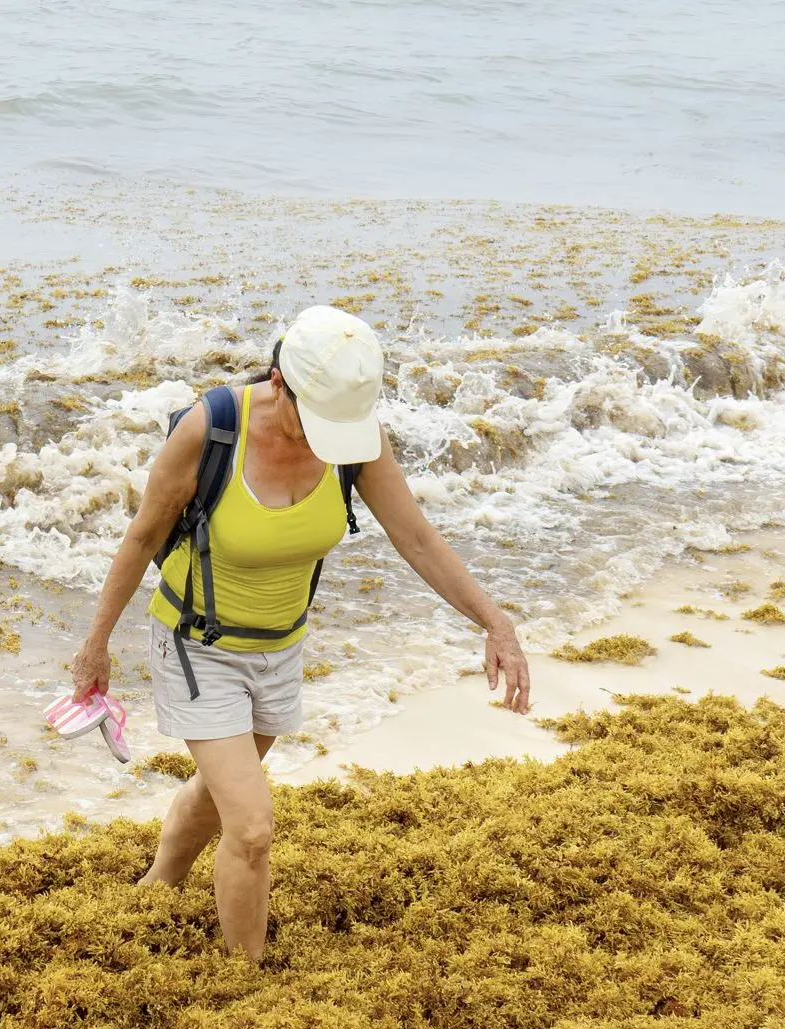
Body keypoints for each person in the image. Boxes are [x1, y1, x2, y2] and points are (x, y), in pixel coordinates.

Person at [70, 305, 530, 962]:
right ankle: (245, 977)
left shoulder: (353, 437)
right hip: (198, 646)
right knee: (253, 827)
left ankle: (158, 883)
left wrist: (495, 622)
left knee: (223, 792)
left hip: (281, 646)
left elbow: (417, 538)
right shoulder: (211, 430)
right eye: (313, 421)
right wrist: (95, 645)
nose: (324, 440)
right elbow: (143, 536)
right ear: (279, 382)